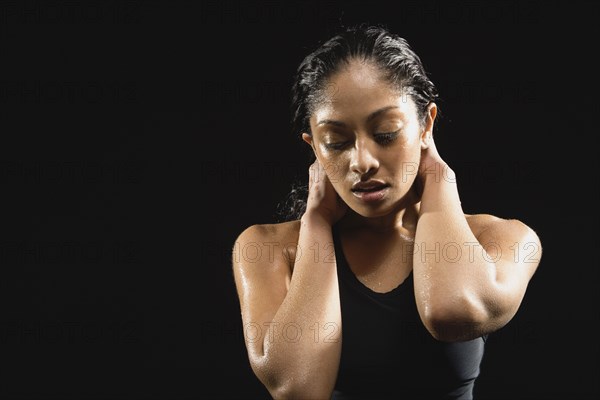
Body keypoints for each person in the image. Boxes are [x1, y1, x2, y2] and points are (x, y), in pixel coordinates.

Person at [231, 23, 542, 400]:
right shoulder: (267, 249)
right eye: (336, 142)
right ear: (314, 147)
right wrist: (316, 221)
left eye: (386, 134)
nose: (362, 161)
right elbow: (298, 388)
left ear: (426, 125)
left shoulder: (506, 239)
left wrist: (439, 179)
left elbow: (453, 309)